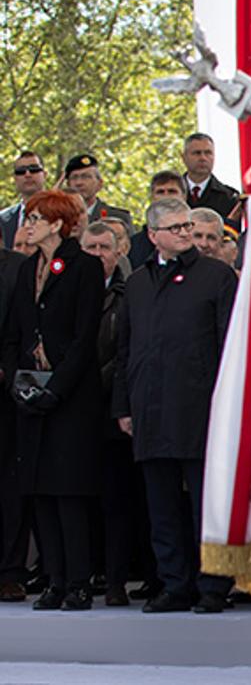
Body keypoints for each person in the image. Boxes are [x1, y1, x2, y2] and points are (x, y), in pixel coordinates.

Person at [111, 197, 236, 614]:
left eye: (188, 226)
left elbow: (229, 345)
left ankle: (213, 584)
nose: (185, 234)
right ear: (153, 235)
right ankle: (174, 584)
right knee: (161, 504)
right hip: (150, 405)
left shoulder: (216, 276)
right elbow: (126, 348)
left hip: (200, 406)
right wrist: (123, 406)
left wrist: (227, 403)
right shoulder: (139, 283)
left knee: (206, 503)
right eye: (176, 228)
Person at [4, 190, 106, 611]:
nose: (28, 225)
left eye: (35, 218)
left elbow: (84, 339)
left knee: (68, 491)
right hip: (32, 395)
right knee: (40, 491)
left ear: (58, 223)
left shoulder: (84, 267)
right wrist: (19, 382)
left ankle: (78, 581)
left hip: (71, 399)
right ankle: (54, 580)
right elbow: (14, 334)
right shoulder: (27, 268)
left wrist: (56, 388)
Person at [83, 221, 143, 607]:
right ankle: (85, 572)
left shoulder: (129, 292)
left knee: (117, 500)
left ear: (119, 251)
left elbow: (124, 352)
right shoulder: (66, 290)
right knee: (82, 498)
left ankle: (116, 579)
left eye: (104, 248)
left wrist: (87, 382)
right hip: (73, 412)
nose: (97, 255)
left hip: (110, 409)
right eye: (89, 248)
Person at [0, 202, 28, 602]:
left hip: (5, 396)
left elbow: (20, 327)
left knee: (8, 485)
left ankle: (9, 571)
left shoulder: (16, 268)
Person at [60, 155, 131, 229]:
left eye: (86, 177)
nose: (79, 183)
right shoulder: (60, 217)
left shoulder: (118, 217)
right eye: (74, 177)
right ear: (68, 184)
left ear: (99, 184)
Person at [179, 134, 239, 217]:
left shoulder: (229, 197)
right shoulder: (169, 191)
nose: (203, 158)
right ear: (183, 157)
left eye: (208, 153)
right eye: (197, 153)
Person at [0, 152, 47, 250]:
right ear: (15, 178)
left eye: (34, 169)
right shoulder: (2, 219)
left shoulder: (59, 212)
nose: (27, 174)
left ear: (44, 174)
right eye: (21, 171)